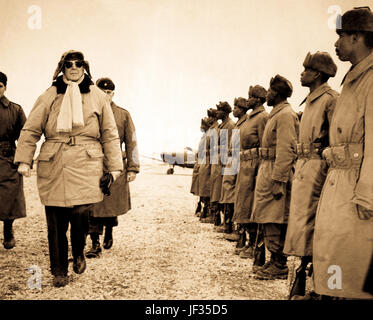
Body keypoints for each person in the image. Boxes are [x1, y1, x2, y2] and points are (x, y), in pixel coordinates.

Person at [14, 50, 123, 287]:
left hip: (87, 162)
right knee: (56, 221)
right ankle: (59, 270)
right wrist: (24, 159)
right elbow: (31, 129)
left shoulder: (97, 96)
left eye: (78, 63)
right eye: (69, 64)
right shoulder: (49, 95)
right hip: (55, 162)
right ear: (62, 68)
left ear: (85, 67)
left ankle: (80, 251)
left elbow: (110, 134)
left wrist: (114, 168)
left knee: (81, 214)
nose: (73, 67)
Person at [313, 7, 373, 299]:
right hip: (342, 179)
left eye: (341, 37)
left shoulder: (371, 79)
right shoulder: (353, 79)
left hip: (357, 186)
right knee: (335, 250)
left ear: (358, 37)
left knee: (352, 259)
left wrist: (368, 194)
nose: (336, 45)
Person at [283, 51, 338, 299]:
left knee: (315, 227)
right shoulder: (312, 100)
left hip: (318, 170)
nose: (301, 73)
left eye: (305, 70)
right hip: (305, 168)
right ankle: (305, 280)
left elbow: (335, 140)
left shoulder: (330, 100)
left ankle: (317, 286)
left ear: (316, 74)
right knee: (302, 226)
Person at [251, 75, 299, 280]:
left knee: (275, 218)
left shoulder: (286, 115)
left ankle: (279, 264)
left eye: (270, 91)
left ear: (277, 93)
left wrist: (279, 180)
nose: (266, 95)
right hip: (267, 168)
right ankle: (274, 260)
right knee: (268, 216)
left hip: (275, 171)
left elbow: (286, 149)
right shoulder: (276, 114)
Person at [86, 77, 139, 258]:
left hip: (114, 166)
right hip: (91, 164)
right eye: (102, 92)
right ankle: (94, 243)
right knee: (92, 205)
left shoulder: (123, 115)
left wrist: (132, 168)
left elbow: (131, 143)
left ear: (113, 94)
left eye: (109, 92)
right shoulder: (89, 112)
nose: (106, 95)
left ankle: (109, 230)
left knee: (110, 204)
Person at [231, 87, 268, 264]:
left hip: (254, 167)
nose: (248, 100)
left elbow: (263, 144)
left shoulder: (261, 118)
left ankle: (254, 244)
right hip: (245, 165)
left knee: (251, 204)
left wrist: (259, 170)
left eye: (252, 97)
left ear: (259, 100)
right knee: (244, 204)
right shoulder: (252, 117)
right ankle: (246, 240)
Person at [0, 72, 27, 250]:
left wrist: (23, 160)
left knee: (9, 197)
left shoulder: (15, 110)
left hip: (7, 156)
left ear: (5, 87)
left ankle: (8, 231)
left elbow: (25, 136)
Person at [211, 102, 235, 231]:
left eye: (219, 110)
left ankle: (227, 225)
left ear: (225, 112)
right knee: (219, 192)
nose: (217, 113)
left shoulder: (230, 126)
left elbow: (230, 147)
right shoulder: (222, 126)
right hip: (219, 162)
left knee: (225, 193)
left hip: (225, 163)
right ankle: (222, 222)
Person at [197, 110, 217, 221]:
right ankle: (205, 210)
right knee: (203, 187)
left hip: (209, 161)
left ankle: (210, 213)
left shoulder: (212, 132)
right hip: (204, 160)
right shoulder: (206, 134)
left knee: (208, 188)